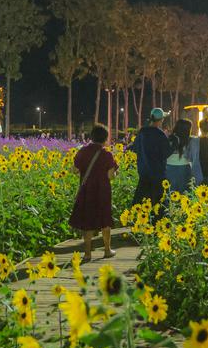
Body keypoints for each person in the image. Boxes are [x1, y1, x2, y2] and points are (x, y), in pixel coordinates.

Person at [69, 124, 119, 263]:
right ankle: (107, 250)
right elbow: (111, 176)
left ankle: (87, 254)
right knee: (105, 220)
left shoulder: (82, 152)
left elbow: (73, 170)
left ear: (92, 137)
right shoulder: (107, 154)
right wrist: (115, 172)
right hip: (103, 191)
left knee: (87, 221)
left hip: (87, 191)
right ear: (105, 138)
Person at [130, 108, 170, 217]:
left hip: (144, 175)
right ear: (161, 120)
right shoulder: (160, 135)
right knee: (158, 208)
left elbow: (134, 148)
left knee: (141, 207)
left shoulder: (142, 133)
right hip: (158, 175)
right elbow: (167, 153)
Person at [164, 118, 201, 193]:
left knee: (170, 194)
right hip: (184, 168)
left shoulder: (169, 138)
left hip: (169, 168)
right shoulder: (191, 140)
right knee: (184, 194)